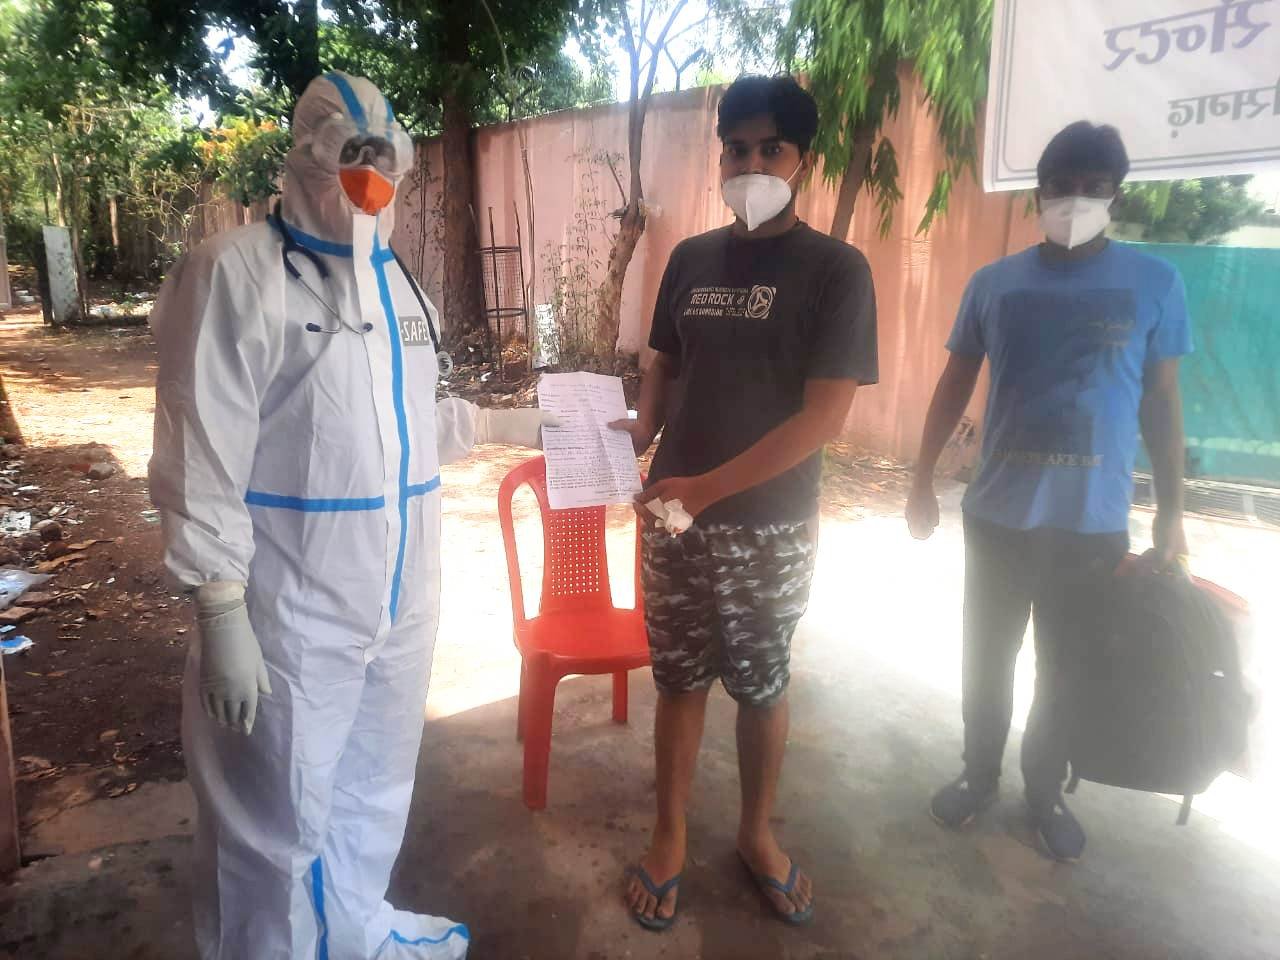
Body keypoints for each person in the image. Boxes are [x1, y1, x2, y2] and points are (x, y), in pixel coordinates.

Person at [149, 72, 555, 959]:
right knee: (274, 814)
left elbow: (405, 426)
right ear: (307, 155)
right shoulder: (234, 273)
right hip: (290, 606)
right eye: (351, 153)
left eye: (385, 156)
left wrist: (512, 425)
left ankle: (354, 932)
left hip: (401, 598)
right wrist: (219, 608)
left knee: (373, 787)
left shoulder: (399, 286)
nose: (370, 175)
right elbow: (198, 450)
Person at [613, 75, 878, 931]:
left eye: (772, 149)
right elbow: (664, 364)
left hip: (770, 526)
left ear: (806, 161)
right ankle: (669, 835)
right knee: (680, 680)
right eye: (736, 149)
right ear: (720, 155)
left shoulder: (836, 271)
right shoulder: (690, 259)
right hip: (672, 520)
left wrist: (706, 489)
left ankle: (756, 834)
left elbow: (825, 417)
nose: (751, 164)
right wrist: (635, 429)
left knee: (762, 685)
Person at [905, 121, 1193, 863]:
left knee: (1064, 669)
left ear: (1116, 196)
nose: (1076, 201)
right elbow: (954, 383)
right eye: (1062, 186)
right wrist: (921, 479)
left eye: (1095, 187)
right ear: (1038, 193)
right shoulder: (995, 285)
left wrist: (1173, 514)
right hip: (998, 515)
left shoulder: (1155, 285)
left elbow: (1162, 403)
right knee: (986, 659)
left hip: (1091, 526)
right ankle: (977, 775)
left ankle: (1043, 794)